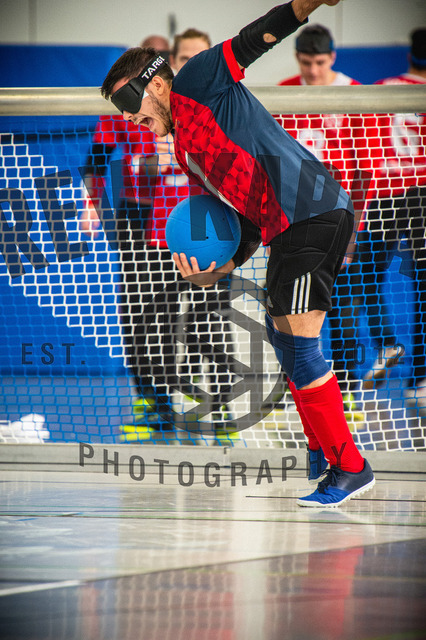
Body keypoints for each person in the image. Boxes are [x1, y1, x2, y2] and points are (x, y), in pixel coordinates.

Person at [101, 0, 375, 507]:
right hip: (284, 227)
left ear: (155, 85)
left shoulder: (196, 80)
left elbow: (259, 34)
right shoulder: (184, 150)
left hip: (312, 209)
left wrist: (308, 3)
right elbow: (243, 217)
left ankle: (350, 466)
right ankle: (323, 449)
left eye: (130, 105)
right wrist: (224, 266)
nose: (130, 119)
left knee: (300, 344)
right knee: (284, 338)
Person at [81, 31, 212, 440]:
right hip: (140, 219)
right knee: (142, 316)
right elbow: (96, 161)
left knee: (202, 314)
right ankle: (152, 402)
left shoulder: (193, 104)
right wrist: (92, 205)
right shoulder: (124, 109)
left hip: (192, 217)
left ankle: (209, 398)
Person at [277, 24, 368, 427]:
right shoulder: (283, 93)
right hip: (295, 224)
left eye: (319, 62)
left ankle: (347, 394)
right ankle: (297, 397)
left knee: (344, 313)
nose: (312, 71)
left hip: (340, 222)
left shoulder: (354, 94)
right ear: (296, 58)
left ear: (332, 57)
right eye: (305, 62)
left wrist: (354, 231)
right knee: (286, 314)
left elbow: (365, 170)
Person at [357, 28, 426, 413]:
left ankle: (387, 344)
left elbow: (367, 147)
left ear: (410, 56)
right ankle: (420, 378)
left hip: (385, 192)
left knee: (367, 277)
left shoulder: (383, 88)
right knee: (422, 287)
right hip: (421, 193)